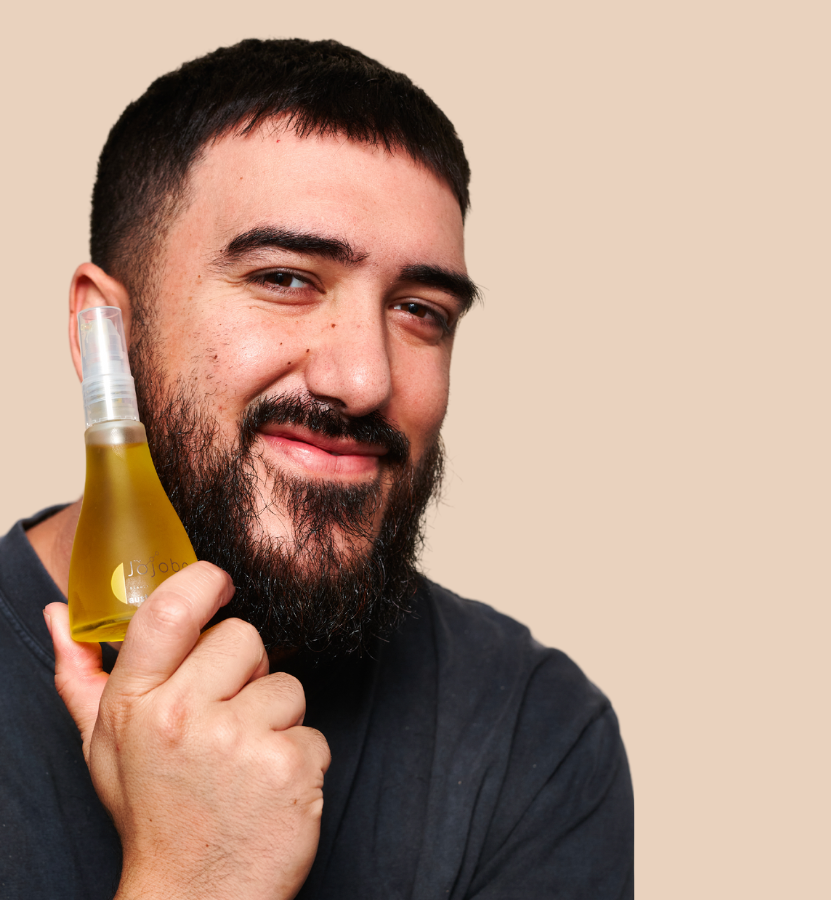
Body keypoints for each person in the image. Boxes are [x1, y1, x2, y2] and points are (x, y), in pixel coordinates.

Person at [0, 38, 632, 899]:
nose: (364, 378)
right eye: (288, 278)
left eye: (419, 310)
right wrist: (198, 878)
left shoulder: (536, 735)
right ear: (104, 335)